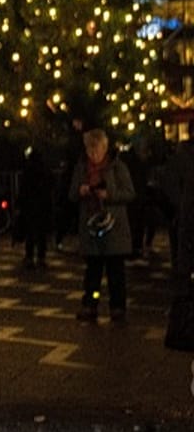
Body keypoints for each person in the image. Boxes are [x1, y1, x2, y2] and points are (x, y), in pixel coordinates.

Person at [69, 128, 135, 323]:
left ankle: (117, 307)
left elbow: (130, 193)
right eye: (89, 150)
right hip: (91, 226)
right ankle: (90, 304)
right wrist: (81, 191)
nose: (93, 154)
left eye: (96, 149)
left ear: (105, 148)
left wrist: (110, 195)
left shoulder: (117, 167)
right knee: (93, 271)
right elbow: (71, 193)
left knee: (116, 271)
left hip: (113, 226)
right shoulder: (81, 168)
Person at [16, 151, 55, 270]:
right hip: (43, 205)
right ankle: (41, 258)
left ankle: (29, 257)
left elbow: (23, 189)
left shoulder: (28, 171)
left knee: (30, 233)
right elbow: (52, 186)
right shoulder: (46, 171)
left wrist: (19, 204)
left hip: (30, 206)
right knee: (41, 233)